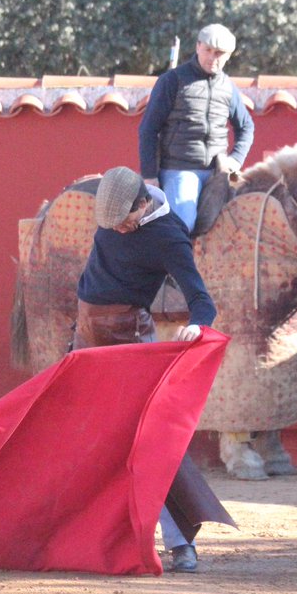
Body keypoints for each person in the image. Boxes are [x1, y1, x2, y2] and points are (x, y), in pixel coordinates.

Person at [73, 165, 218, 573]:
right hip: (87, 335)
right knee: (86, 435)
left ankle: (178, 543)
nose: (117, 229)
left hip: (129, 339)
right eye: (111, 223)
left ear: (142, 204)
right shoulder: (115, 210)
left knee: (147, 439)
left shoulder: (169, 236)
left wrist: (197, 325)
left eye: (124, 222)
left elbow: (202, 300)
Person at [138, 23, 255, 232]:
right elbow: (148, 129)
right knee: (183, 224)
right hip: (179, 169)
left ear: (228, 55)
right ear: (198, 46)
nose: (212, 57)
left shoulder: (227, 87)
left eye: (219, 53)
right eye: (208, 50)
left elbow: (246, 127)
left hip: (217, 172)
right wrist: (149, 175)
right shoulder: (173, 80)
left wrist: (236, 160)